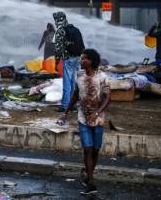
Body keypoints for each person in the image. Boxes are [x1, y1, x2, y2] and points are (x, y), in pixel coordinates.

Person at [58, 49, 110, 195]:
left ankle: (88, 175)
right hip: (82, 117)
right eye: (81, 59)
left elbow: (107, 98)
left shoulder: (102, 77)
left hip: (98, 119)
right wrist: (66, 112)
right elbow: (75, 94)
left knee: (95, 149)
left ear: (91, 61)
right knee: (87, 148)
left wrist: (97, 112)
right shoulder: (79, 75)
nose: (81, 61)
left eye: (84, 59)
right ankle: (91, 182)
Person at [53, 11, 85, 112]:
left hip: (69, 59)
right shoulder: (75, 29)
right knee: (74, 82)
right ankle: (73, 104)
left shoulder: (60, 31)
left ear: (57, 20)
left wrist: (56, 62)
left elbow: (58, 49)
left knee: (67, 83)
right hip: (77, 58)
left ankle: (65, 105)